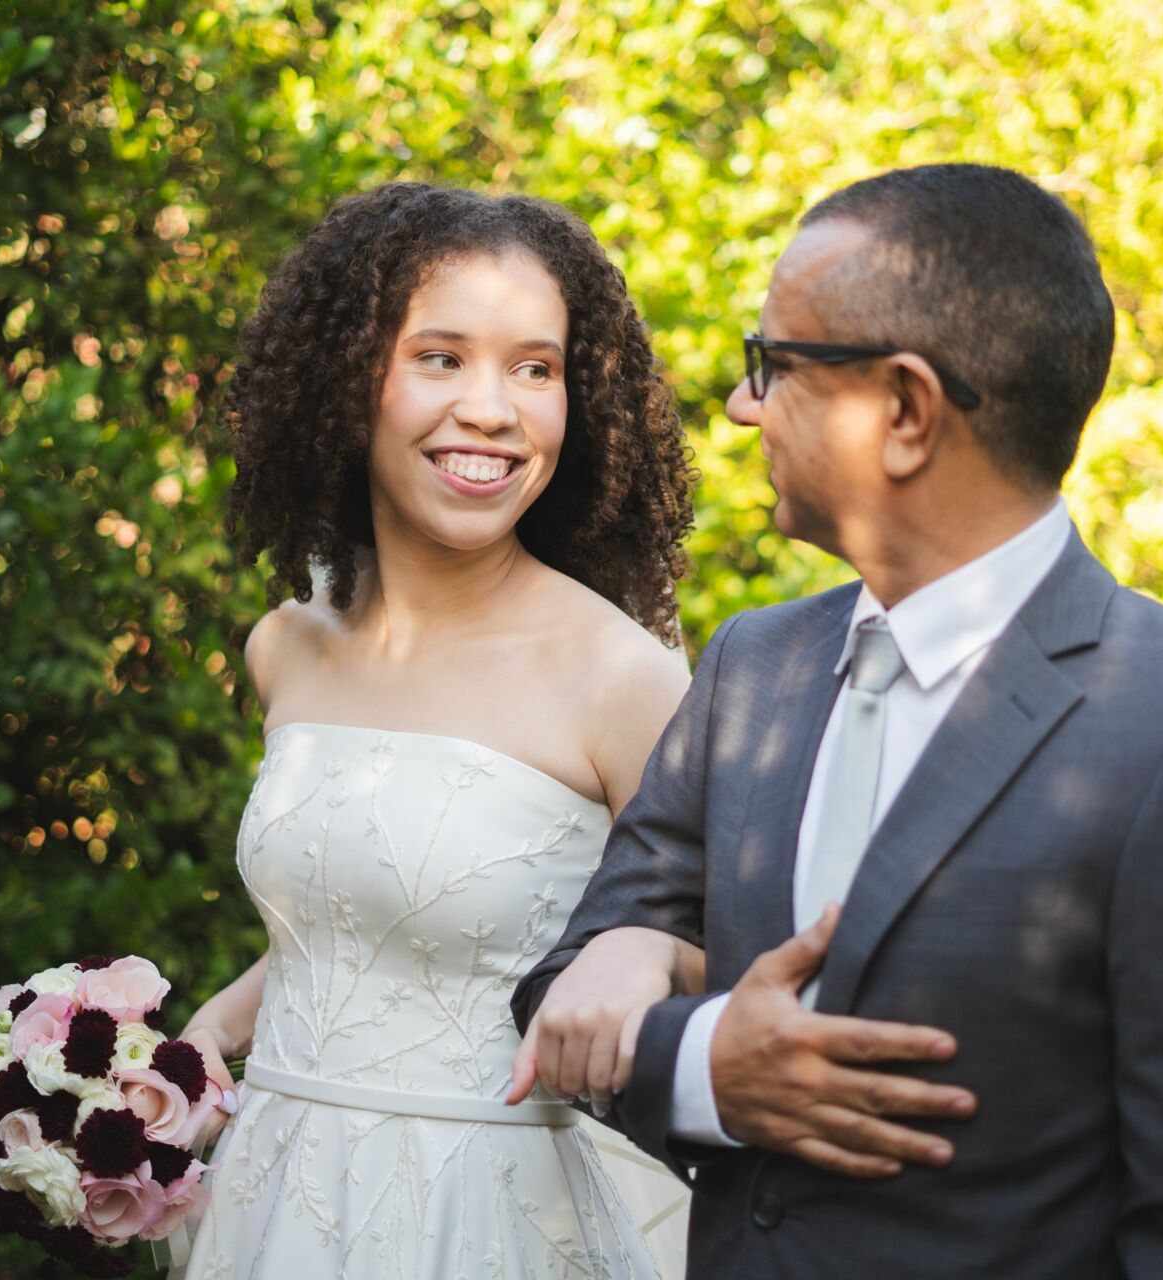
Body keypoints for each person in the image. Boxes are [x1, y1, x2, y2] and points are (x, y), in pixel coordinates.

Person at [510, 164, 1163, 1278]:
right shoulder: (753, 668)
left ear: (903, 410)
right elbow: (557, 993)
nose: (741, 405)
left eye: (775, 365)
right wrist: (710, 1059)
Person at [171, 182, 701, 1280]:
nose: (495, 409)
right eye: (442, 357)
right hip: (273, 1192)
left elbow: (728, 942)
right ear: (345, 383)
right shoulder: (290, 646)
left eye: (535, 368)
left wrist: (642, 953)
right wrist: (190, 1049)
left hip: (486, 1216)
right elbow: (355, 931)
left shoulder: (618, 676)